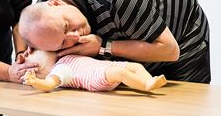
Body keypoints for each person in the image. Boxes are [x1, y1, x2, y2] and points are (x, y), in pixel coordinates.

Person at [19, 0, 210, 84]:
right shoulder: (44, 16)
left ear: (57, 3)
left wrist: (103, 47)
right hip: (128, 35)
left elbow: (170, 50)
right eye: (62, 43)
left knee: (182, 105)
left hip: (183, 32)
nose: (75, 37)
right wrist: (29, 55)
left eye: (66, 27)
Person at [23, 50, 167, 92]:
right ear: (38, 67)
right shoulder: (58, 69)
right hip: (96, 78)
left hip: (105, 68)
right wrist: (36, 81)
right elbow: (49, 85)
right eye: (33, 51)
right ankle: (145, 86)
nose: (30, 50)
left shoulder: (64, 57)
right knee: (121, 73)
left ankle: (149, 81)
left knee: (136, 67)